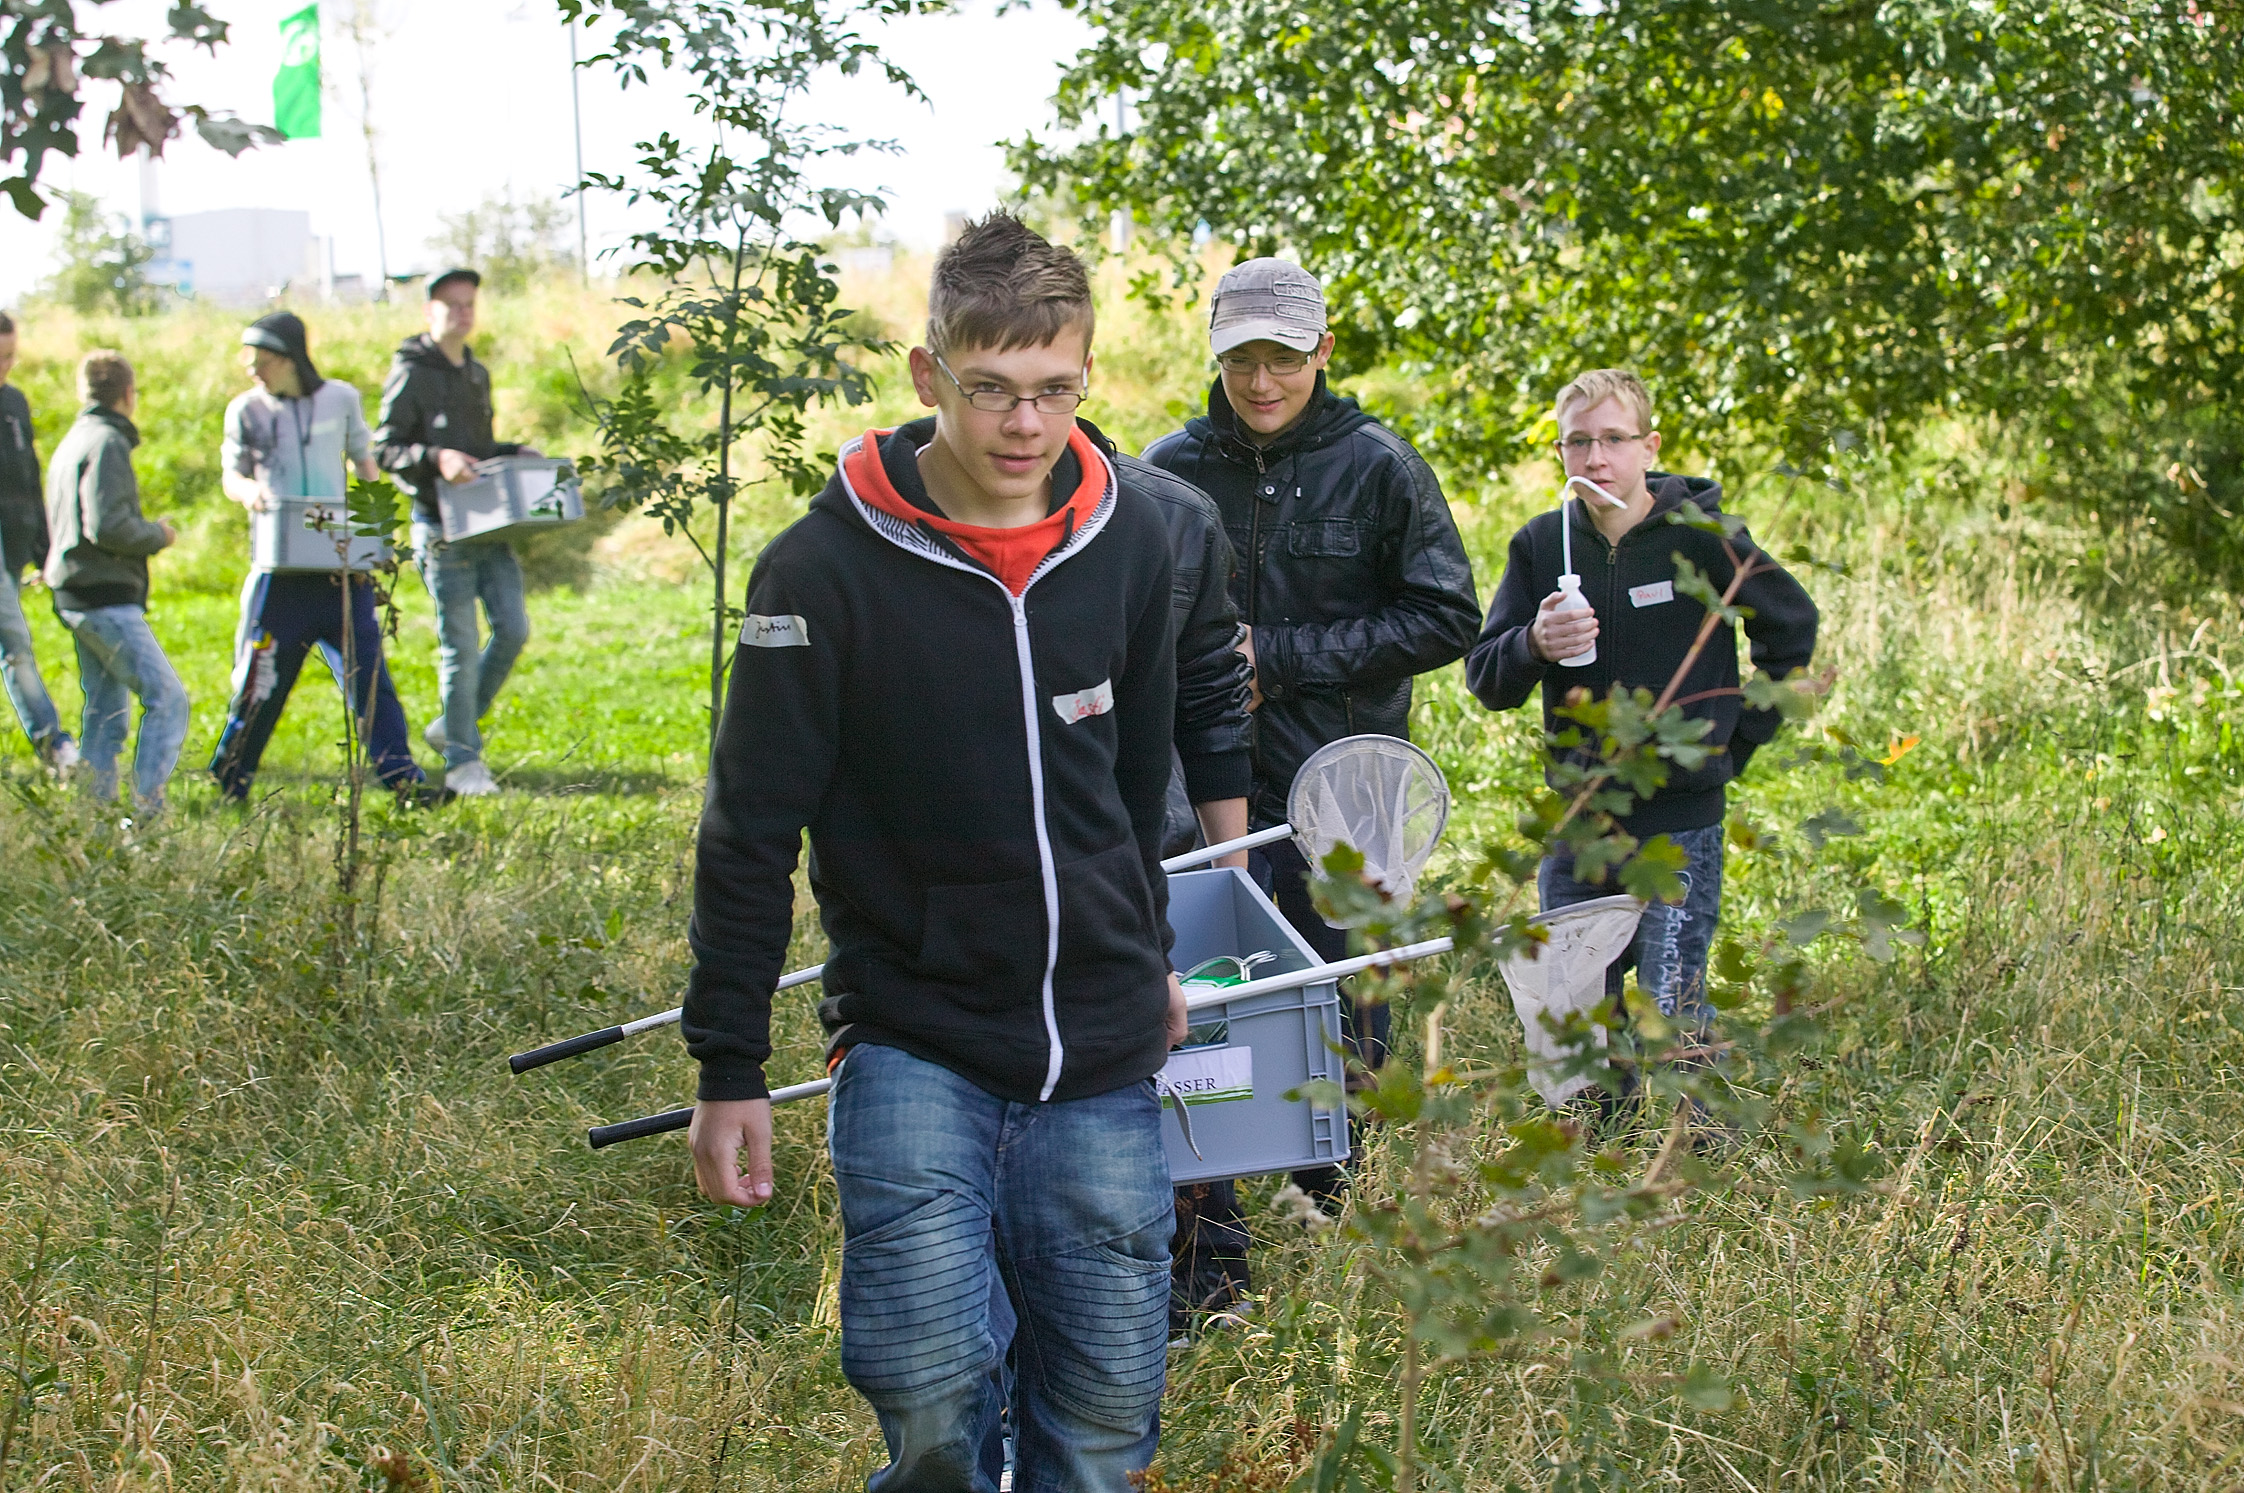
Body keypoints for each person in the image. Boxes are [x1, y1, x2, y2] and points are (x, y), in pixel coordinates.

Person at [684, 214, 1186, 1492]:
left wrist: (1157, 958)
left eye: (1057, 391)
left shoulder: (1133, 542)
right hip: (914, 1033)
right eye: (993, 392)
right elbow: (751, 829)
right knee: (928, 1381)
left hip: (1105, 1043)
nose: (1027, 426)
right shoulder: (819, 570)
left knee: (1108, 1406)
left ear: (1087, 374)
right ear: (928, 376)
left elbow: (1135, 790)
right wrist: (727, 1059)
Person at [1142, 257, 1481, 1320]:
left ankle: (1341, 1200)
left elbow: (1446, 615)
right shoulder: (1169, 473)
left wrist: (1277, 653)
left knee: (1346, 996)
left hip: (1344, 784)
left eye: (1282, 358)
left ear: (1322, 353)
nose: (1262, 380)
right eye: (1242, 359)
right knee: (1216, 998)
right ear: (1217, 356)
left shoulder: (1379, 466)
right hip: (1207, 787)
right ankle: (1214, 1240)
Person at [1465, 367, 1818, 1051]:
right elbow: (1486, 678)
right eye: (1578, 442)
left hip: (1678, 823)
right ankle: (1602, 1137)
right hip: (1580, 823)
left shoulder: (1700, 534)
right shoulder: (1541, 545)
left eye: (1614, 439)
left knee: (1672, 999)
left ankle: (1701, 1146)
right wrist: (1533, 643)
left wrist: (1734, 739)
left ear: (1649, 447)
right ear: (1560, 454)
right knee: (1577, 1005)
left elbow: (1791, 624)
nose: (1596, 458)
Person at [209, 313, 427, 801]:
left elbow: (364, 461)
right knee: (263, 679)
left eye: (261, 360)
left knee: (370, 677)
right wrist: (250, 492)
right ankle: (232, 775)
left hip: (339, 567)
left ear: (288, 358)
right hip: (280, 568)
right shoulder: (246, 410)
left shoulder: (341, 399)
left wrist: (376, 526)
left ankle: (402, 779)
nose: (253, 370)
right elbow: (232, 474)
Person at [373, 267, 540, 798]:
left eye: (469, 304)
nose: (462, 313)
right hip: (441, 530)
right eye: (451, 305)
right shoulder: (411, 372)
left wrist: (514, 454)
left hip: (490, 525)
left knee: (513, 629)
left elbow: (478, 451)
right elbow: (386, 449)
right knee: (460, 646)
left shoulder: (476, 373)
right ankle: (465, 762)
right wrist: (435, 456)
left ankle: (454, 725)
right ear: (429, 312)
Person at [43, 350, 187, 810]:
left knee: (105, 713)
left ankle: (94, 818)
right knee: (167, 699)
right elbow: (107, 526)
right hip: (103, 595)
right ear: (129, 394)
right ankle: (148, 814)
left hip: (73, 591)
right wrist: (158, 535)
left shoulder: (73, 439)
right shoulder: (108, 442)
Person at [0, 310, 75, 770]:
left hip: (13, 543)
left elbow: (29, 478)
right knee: (14, 641)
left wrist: (45, 548)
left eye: (9, 357)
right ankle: (54, 745)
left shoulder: (14, 403)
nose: (3, 367)